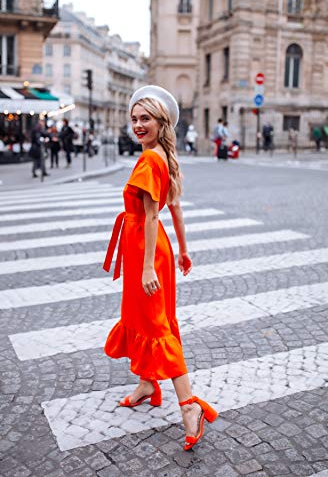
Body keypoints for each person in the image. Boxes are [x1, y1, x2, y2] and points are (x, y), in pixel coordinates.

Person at [103, 85, 218, 452]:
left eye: (145, 118)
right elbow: (176, 208)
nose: (138, 124)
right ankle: (148, 384)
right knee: (142, 318)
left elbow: (153, 215)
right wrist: (183, 250)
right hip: (149, 248)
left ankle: (189, 407)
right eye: (134, 118)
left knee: (156, 325)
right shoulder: (161, 156)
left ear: (160, 122)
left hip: (146, 249)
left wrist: (149, 266)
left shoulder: (151, 160)